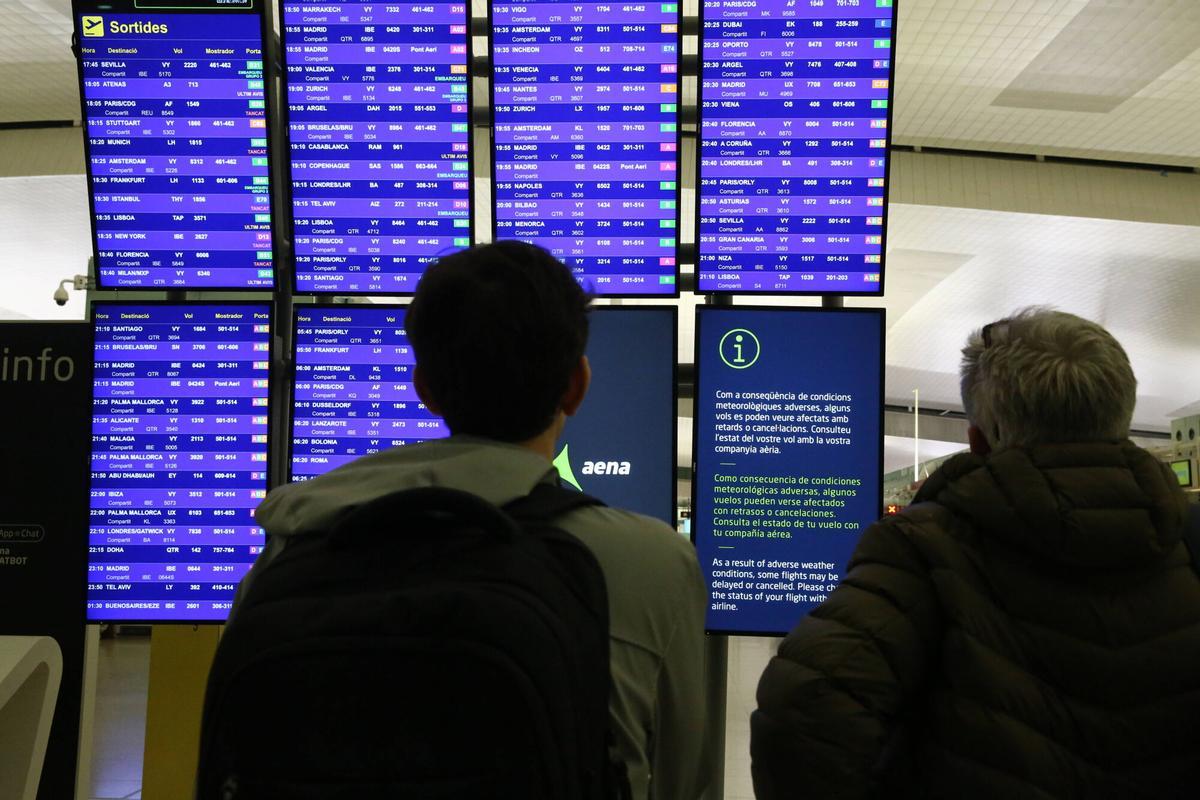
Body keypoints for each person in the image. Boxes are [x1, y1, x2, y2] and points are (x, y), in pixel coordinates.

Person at [235, 241, 707, 800]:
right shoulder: (650, 563)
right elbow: (679, 780)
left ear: (425, 390)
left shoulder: (293, 545)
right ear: (577, 386)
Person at [751, 308, 1200, 799]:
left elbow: (804, 708)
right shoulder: (1187, 540)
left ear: (979, 441)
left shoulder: (922, 548)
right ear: (1123, 421)